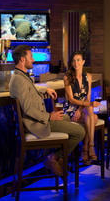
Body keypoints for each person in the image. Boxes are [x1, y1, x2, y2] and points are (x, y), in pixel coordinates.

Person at [9, 45, 85, 176]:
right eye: (31, 57)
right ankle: (54, 158)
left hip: (38, 121)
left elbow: (30, 89)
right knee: (80, 131)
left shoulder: (20, 76)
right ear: (22, 60)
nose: (33, 60)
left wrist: (45, 90)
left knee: (66, 117)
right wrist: (49, 116)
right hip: (35, 124)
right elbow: (28, 109)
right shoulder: (19, 80)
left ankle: (60, 159)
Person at [63, 51, 101, 165]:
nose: (76, 63)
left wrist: (80, 110)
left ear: (83, 62)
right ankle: (89, 147)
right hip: (70, 109)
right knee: (93, 117)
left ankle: (86, 148)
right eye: (74, 60)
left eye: (78, 60)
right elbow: (71, 99)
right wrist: (84, 106)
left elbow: (88, 98)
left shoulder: (88, 77)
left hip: (82, 109)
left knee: (90, 112)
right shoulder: (67, 77)